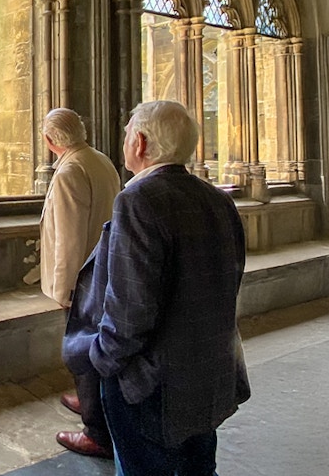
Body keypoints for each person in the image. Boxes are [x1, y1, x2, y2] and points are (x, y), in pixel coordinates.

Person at [63, 100, 250, 475]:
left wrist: (102, 361)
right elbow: (229, 279)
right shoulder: (217, 198)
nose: (125, 141)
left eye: (129, 133)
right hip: (206, 372)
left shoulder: (139, 200)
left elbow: (130, 308)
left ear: (142, 143)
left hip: (150, 385)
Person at [38, 108, 121, 459]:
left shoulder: (71, 169)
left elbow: (70, 237)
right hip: (103, 269)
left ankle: (96, 430)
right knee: (94, 346)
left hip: (84, 277)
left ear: (50, 140)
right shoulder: (98, 158)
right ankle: (91, 401)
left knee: (82, 349)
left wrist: (65, 289)